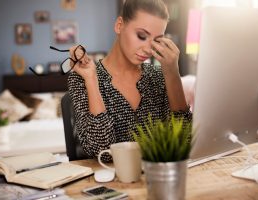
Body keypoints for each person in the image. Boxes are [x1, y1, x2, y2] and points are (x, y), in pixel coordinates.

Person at [67, 0, 192, 161]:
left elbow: (185, 143)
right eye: (142, 36)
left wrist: (173, 73)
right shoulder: (81, 78)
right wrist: (91, 80)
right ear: (119, 25)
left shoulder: (158, 76)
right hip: (111, 182)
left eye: (157, 40)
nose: (148, 49)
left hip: (155, 179)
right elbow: (102, 151)